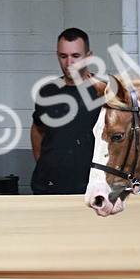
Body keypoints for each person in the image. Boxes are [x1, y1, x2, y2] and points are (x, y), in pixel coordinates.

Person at [31, 28, 104, 194]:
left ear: (89, 56)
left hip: (92, 188)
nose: (69, 62)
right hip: (48, 188)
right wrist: (43, 163)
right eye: (63, 56)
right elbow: (37, 129)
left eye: (76, 56)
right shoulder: (47, 92)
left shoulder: (104, 93)